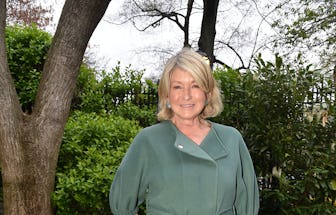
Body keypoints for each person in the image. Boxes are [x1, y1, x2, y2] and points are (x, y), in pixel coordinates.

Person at [109, 48, 259, 215]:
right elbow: (122, 205)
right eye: (178, 87)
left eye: (195, 86)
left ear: (207, 93)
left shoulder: (231, 139)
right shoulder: (149, 140)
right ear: (167, 95)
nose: (186, 95)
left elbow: (247, 206)